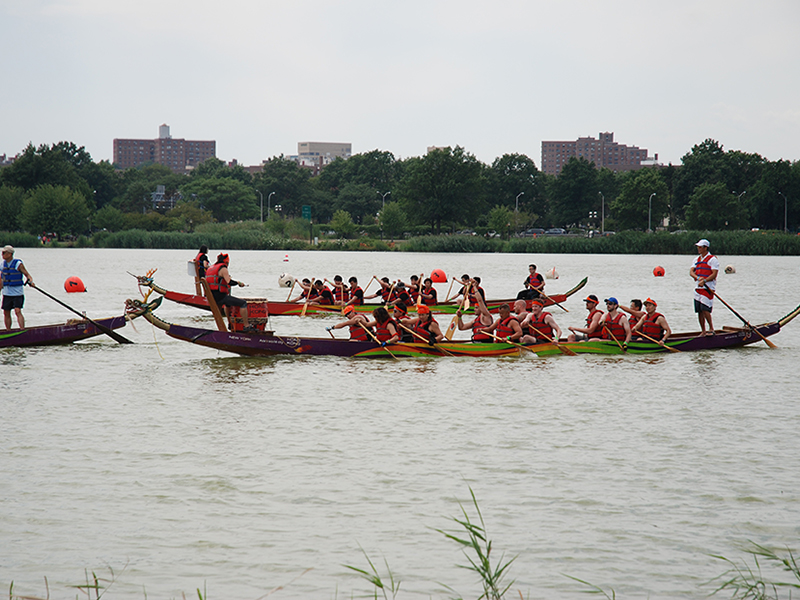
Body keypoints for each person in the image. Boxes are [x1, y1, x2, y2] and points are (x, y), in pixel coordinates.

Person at [205, 253, 252, 331]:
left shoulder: (211, 268)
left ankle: (230, 324)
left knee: (228, 304)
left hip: (211, 296)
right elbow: (229, 281)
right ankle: (246, 326)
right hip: (220, 296)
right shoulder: (223, 268)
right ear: (226, 262)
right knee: (243, 303)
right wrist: (239, 283)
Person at [690, 238, 719, 336]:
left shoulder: (712, 259)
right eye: (698, 247)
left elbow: (714, 274)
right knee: (699, 311)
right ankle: (703, 331)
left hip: (708, 288)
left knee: (705, 309)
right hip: (698, 288)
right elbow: (691, 272)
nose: (698, 249)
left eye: (700, 247)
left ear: (705, 248)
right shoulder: (696, 259)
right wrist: (698, 278)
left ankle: (711, 328)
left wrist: (705, 280)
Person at [2, 245, 34, 330]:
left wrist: (30, 281)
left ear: (10, 254)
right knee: (6, 312)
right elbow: (1, 279)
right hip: (6, 293)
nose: (2, 254)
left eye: (4, 253)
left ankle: (22, 329)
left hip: (17, 292)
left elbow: (28, 275)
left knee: (17, 311)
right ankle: (8, 331)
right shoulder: (2, 265)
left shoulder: (18, 264)